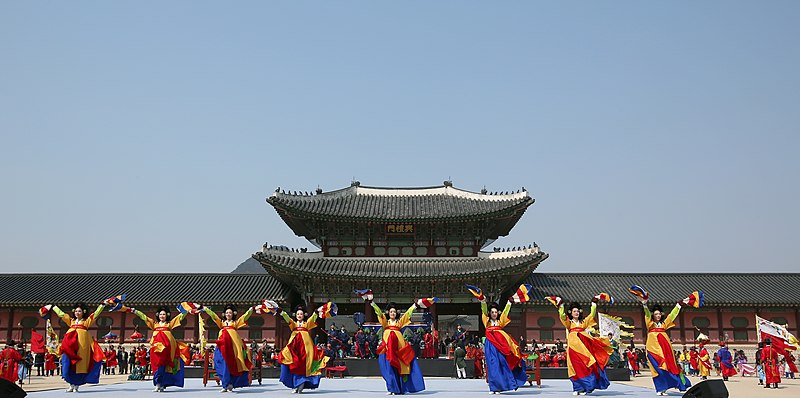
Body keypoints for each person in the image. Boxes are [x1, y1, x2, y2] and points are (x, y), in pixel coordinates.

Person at [360, 291, 426, 395]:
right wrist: (372, 303)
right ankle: (391, 388)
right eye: (391, 312)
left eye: (394, 312)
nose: (392, 313)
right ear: (388, 313)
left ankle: (398, 388)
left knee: (399, 369)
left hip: (398, 350)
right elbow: (379, 313)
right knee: (388, 370)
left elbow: (408, 314)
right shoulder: (385, 323)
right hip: (387, 349)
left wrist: (415, 305)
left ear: (396, 313)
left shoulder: (399, 323)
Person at [121, 305, 191, 392]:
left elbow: (179, 317)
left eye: (164, 314)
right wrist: (134, 311)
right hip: (156, 349)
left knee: (165, 366)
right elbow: (145, 317)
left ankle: (162, 384)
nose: (162, 316)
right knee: (157, 366)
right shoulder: (154, 324)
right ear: (158, 315)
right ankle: (158, 384)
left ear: (167, 315)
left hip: (167, 350)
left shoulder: (169, 324)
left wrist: (187, 310)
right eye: (161, 314)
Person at [552, 295, 613, 395]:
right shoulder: (569, 323)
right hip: (572, 349)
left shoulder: (583, 323)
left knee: (585, 367)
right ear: (571, 313)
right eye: (574, 311)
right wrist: (561, 306)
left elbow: (591, 315)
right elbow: (562, 316)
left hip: (583, 349)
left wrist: (594, 303)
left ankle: (587, 387)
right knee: (574, 368)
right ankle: (577, 388)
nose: (576, 313)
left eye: (577, 311)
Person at [634, 292, 691, 396]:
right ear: (653, 316)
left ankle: (664, 389)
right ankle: (659, 388)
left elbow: (672, 316)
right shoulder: (650, 325)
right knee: (657, 369)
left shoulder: (664, 325)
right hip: (653, 350)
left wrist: (678, 306)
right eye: (656, 314)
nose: (658, 315)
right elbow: (647, 315)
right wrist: (644, 305)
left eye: (659, 314)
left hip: (665, 350)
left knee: (667, 367)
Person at [50, 302, 107, 392]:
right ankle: (71, 384)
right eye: (76, 311)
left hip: (82, 344)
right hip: (70, 344)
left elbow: (95, 314)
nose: (77, 313)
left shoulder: (86, 322)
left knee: (80, 364)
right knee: (68, 362)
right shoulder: (71, 321)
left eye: (79, 311)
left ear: (83, 312)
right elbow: (62, 315)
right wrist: (54, 307)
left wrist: (102, 305)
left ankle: (76, 385)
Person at [276, 304, 331, 394]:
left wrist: (316, 313)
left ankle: (300, 385)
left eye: (301, 314)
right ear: (296, 315)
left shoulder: (306, 325)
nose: (299, 316)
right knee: (294, 364)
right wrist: (282, 312)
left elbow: (312, 318)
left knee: (304, 366)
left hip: (306, 349)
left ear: (303, 315)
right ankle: (295, 385)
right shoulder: (293, 325)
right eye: (298, 314)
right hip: (295, 349)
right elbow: (287, 319)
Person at [202, 303, 255, 393]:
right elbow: (214, 316)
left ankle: (230, 384)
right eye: (226, 313)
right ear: (224, 314)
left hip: (233, 348)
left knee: (233, 365)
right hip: (223, 347)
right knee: (222, 364)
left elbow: (244, 318)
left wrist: (251, 310)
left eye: (230, 313)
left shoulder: (235, 324)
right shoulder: (221, 323)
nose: (228, 314)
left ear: (233, 314)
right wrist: (205, 309)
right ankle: (225, 384)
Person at [480, 299, 526, 393]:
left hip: (500, 346)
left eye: (496, 312)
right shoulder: (487, 322)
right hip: (490, 345)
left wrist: (509, 302)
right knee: (492, 366)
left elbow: (505, 313)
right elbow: (483, 311)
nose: (494, 314)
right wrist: (483, 302)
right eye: (492, 312)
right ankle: (493, 387)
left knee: (501, 365)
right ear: (489, 313)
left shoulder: (500, 322)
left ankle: (501, 386)